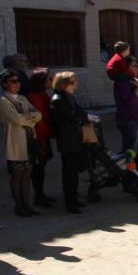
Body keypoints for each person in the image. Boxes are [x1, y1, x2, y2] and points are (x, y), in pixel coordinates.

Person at [0, 69, 42, 216]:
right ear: (5, 84)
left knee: (27, 174)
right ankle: (19, 205)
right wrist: (30, 118)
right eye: (13, 81)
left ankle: (27, 204)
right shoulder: (3, 101)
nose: (17, 84)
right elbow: (16, 119)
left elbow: (38, 115)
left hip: (29, 140)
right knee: (17, 175)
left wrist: (28, 117)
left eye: (18, 81)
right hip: (16, 142)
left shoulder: (22, 98)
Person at [50, 71, 89, 214]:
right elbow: (71, 119)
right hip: (68, 140)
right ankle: (70, 203)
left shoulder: (68, 98)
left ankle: (74, 199)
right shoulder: (58, 99)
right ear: (64, 84)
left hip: (75, 139)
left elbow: (81, 114)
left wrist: (81, 119)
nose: (76, 84)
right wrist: (80, 120)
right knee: (69, 173)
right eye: (73, 82)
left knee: (74, 172)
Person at [26, 68, 56, 208]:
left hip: (43, 137)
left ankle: (41, 194)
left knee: (41, 167)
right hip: (39, 138)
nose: (52, 81)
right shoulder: (34, 97)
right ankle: (38, 196)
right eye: (49, 79)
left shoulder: (42, 94)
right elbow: (39, 122)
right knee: (38, 168)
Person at [113, 56, 138, 154]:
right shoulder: (122, 80)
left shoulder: (130, 79)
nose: (136, 68)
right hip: (128, 120)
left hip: (133, 119)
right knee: (130, 152)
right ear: (126, 67)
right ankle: (126, 169)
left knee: (129, 149)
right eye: (133, 66)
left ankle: (126, 168)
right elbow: (128, 101)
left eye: (137, 66)